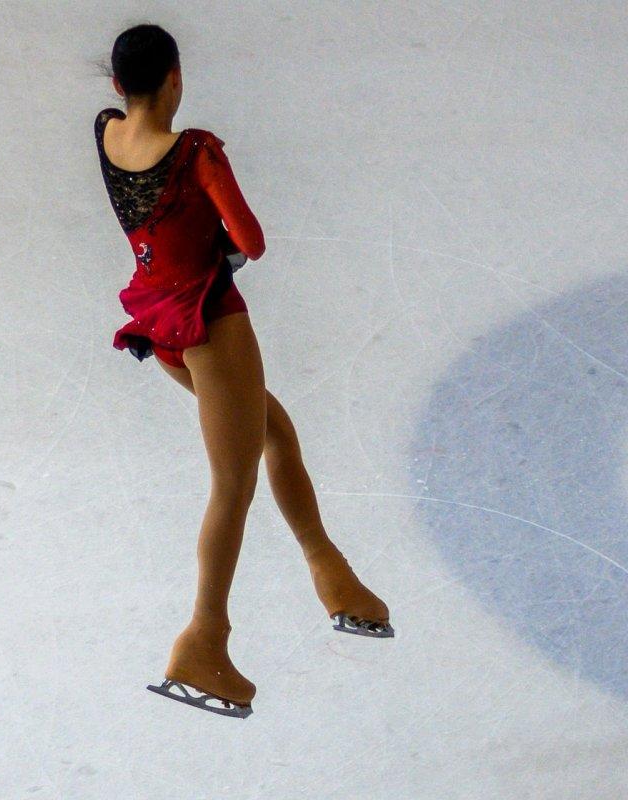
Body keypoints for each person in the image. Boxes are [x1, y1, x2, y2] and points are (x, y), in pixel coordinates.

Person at [94, 23, 393, 718]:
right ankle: (205, 640)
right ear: (174, 79)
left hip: (157, 323)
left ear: (117, 86)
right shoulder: (194, 151)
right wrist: (215, 238)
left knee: (275, 434)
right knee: (233, 484)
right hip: (209, 324)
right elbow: (251, 240)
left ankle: (334, 577)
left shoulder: (106, 132)